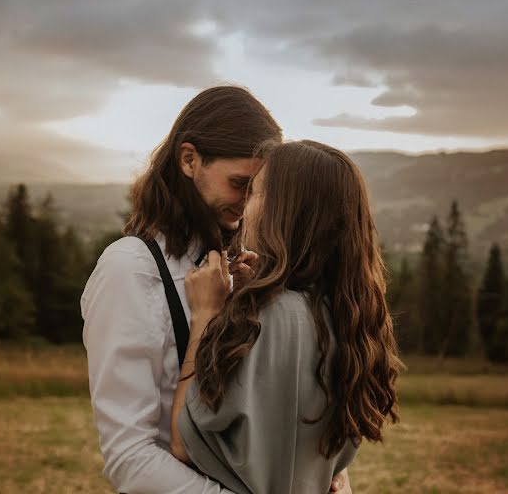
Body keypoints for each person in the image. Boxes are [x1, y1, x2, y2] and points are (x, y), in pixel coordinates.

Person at [81, 88, 352, 493]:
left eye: (258, 189)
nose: (248, 204)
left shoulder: (254, 267)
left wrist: (333, 479)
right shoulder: (131, 270)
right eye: (239, 183)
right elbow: (131, 457)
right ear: (189, 160)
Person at [169, 140, 401, 493]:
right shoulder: (346, 319)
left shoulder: (265, 321)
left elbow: (184, 445)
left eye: (257, 192)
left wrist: (206, 314)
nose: (246, 205)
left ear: (286, 212)